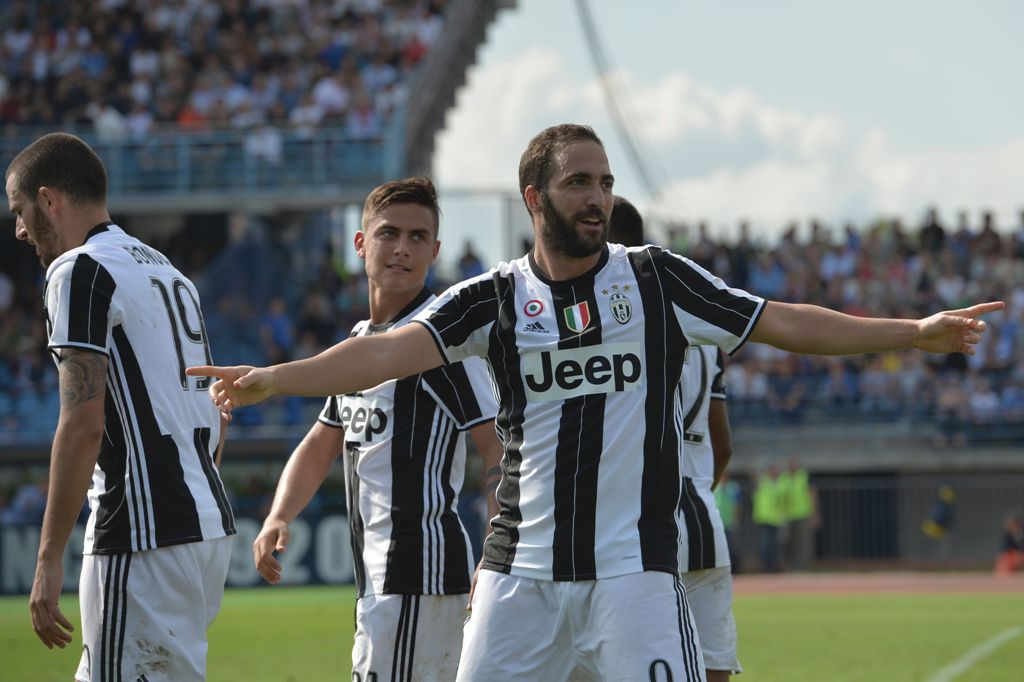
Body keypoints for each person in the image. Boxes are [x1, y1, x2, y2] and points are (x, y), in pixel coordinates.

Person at [190, 124, 1001, 681]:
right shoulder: (493, 298)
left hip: (634, 573)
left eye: (605, 183)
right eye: (579, 182)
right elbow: (380, 351)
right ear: (534, 196)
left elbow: (780, 321)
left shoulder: (656, 278)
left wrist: (914, 331)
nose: (598, 197)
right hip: (516, 577)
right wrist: (276, 377)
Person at [251, 177, 502, 681]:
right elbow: (323, 440)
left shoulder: (443, 340)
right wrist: (279, 514)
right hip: (380, 582)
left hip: (420, 579)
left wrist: (495, 556)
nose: (402, 249)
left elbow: (498, 454)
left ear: (434, 251)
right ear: (360, 243)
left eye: (416, 237)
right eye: (389, 233)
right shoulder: (361, 341)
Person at [8, 132, 235, 681]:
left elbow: (83, 424)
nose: (17, 229)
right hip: (204, 525)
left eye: (18, 210)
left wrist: (46, 558)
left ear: (48, 200)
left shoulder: (77, 270)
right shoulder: (168, 271)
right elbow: (211, 408)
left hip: (141, 531)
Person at [608, 195, 742, 680]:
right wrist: (704, 483)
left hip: (636, 522)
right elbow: (722, 443)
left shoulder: (603, 319)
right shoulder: (702, 333)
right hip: (702, 516)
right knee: (711, 665)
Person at [778, 457, 818, 571]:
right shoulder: (784, 477)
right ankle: (792, 566)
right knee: (789, 542)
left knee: (803, 542)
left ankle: (803, 566)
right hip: (788, 515)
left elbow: (813, 494)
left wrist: (814, 513)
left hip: (803, 514)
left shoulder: (804, 476)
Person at [753, 463, 785, 573]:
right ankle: (766, 566)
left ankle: (773, 566)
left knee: (775, 544)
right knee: (765, 544)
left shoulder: (781, 482)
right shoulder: (763, 481)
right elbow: (754, 475)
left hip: (776, 519)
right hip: (764, 518)